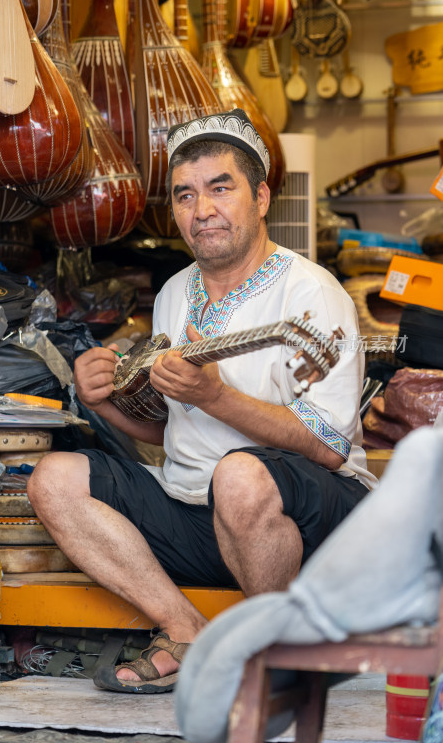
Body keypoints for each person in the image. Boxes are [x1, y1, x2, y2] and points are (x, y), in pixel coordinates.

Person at [27, 108, 378, 695]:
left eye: (221, 189)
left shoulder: (311, 292)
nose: (202, 210)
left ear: (261, 197)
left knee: (238, 477)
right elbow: (179, 435)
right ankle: (184, 629)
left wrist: (216, 396)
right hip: (206, 516)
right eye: (185, 196)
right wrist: (103, 403)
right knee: (54, 478)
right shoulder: (172, 293)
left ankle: (279, 650)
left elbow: (327, 446)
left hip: (314, 527)